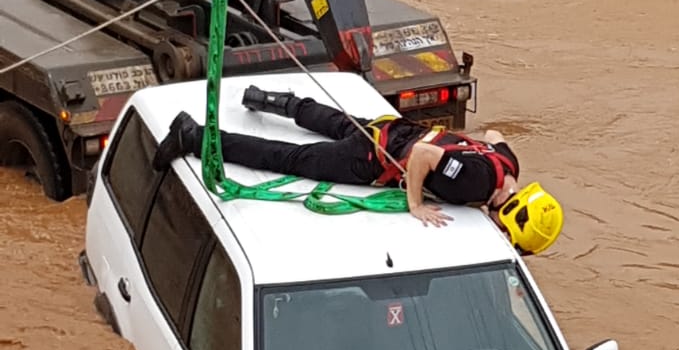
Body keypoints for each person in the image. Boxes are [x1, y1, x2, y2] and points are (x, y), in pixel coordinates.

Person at [152, 84, 564, 251]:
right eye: (507, 232)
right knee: (287, 159)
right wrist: (415, 203)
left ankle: (270, 100)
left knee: (335, 121)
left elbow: (491, 133)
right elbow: (423, 159)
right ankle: (193, 135)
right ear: (509, 212)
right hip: (371, 160)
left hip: (393, 130)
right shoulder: (473, 183)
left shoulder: (509, 165)